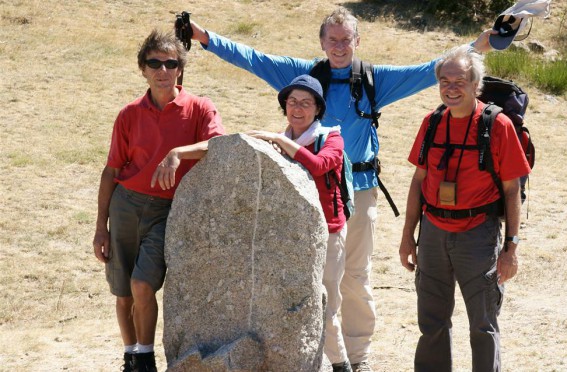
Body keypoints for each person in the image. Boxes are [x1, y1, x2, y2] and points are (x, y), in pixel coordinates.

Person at [184, 8, 495, 371]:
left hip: (359, 193)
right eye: (332, 39)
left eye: (346, 39)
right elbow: (254, 59)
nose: (339, 46)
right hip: (305, 191)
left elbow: (430, 70)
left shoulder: (374, 80)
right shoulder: (303, 76)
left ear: (357, 41)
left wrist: (478, 45)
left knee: (354, 277)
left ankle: (356, 358)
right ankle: (317, 354)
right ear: (321, 42)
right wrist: (205, 37)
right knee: (305, 277)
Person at [92, 29, 225, 372]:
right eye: (154, 63)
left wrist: (177, 153)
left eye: (170, 63)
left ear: (180, 69)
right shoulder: (129, 114)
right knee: (122, 293)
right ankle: (131, 356)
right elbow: (111, 171)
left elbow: (218, 146)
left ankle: (147, 358)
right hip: (126, 205)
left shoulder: (199, 108)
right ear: (143, 69)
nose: (162, 70)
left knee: (142, 283)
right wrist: (100, 227)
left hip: (171, 210)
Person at [398, 45, 531, 371]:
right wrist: (407, 236)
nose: (451, 87)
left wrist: (511, 248)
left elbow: (512, 188)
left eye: (460, 81)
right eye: (445, 81)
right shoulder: (431, 122)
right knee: (431, 322)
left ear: (476, 84)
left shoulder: (498, 126)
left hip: (478, 234)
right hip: (432, 233)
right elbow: (419, 181)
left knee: (483, 325)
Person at [247, 75, 353, 372]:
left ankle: (341, 365)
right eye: (292, 102)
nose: (297, 108)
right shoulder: (279, 141)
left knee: (327, 307)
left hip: (329, 233)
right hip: (291, 236)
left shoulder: (331, 137)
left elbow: (320, 165)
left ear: (317, 109)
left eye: (306, 103)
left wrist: (280, 141)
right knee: (295, 307)